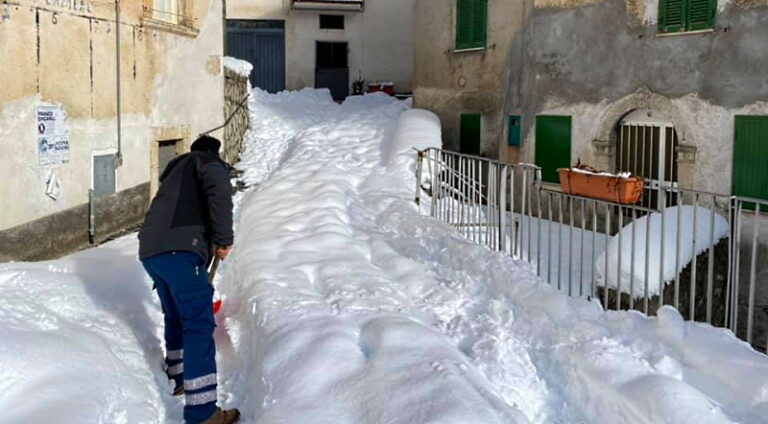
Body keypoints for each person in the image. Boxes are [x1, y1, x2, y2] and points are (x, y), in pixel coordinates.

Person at [138, 135, 240, 424]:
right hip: (182, 250)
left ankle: (179, 373)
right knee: (198, 325)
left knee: (175, 315)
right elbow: (220, 197)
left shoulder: (174, 171)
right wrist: (223, 240)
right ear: (214, 152)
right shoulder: (209, 164)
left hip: (150, 251)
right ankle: (203, 411)